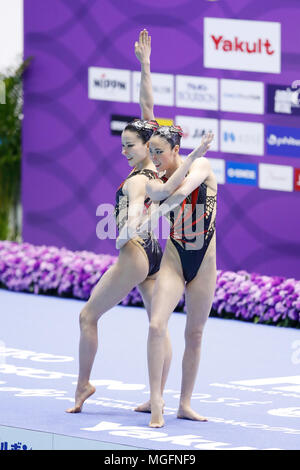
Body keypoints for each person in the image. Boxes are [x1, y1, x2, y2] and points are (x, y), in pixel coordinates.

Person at [66, 29, 170, 414]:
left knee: (87, 316)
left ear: (146, 147)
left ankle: (83, 386)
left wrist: (122, 234)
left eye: (130, 146)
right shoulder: (156, 158)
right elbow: (148, 108)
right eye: (122, 145)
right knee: (157, 325)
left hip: (136, 252)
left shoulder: (141, 179)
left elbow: (132, 215)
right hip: (157, 251)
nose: (125, 151)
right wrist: (144, 65)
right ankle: (157, 397)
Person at [120, 124, 217, 427]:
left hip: (203, 263)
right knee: (156, 324)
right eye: (152, 153)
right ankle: (156, 399)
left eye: (160, 152)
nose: (155, 158)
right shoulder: (153, 182)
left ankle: (184, 403)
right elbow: (164, 192)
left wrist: (194, 157)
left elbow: (183, 192)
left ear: (177, 150)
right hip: (175, 259)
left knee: (195, 333)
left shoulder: (201, 164)